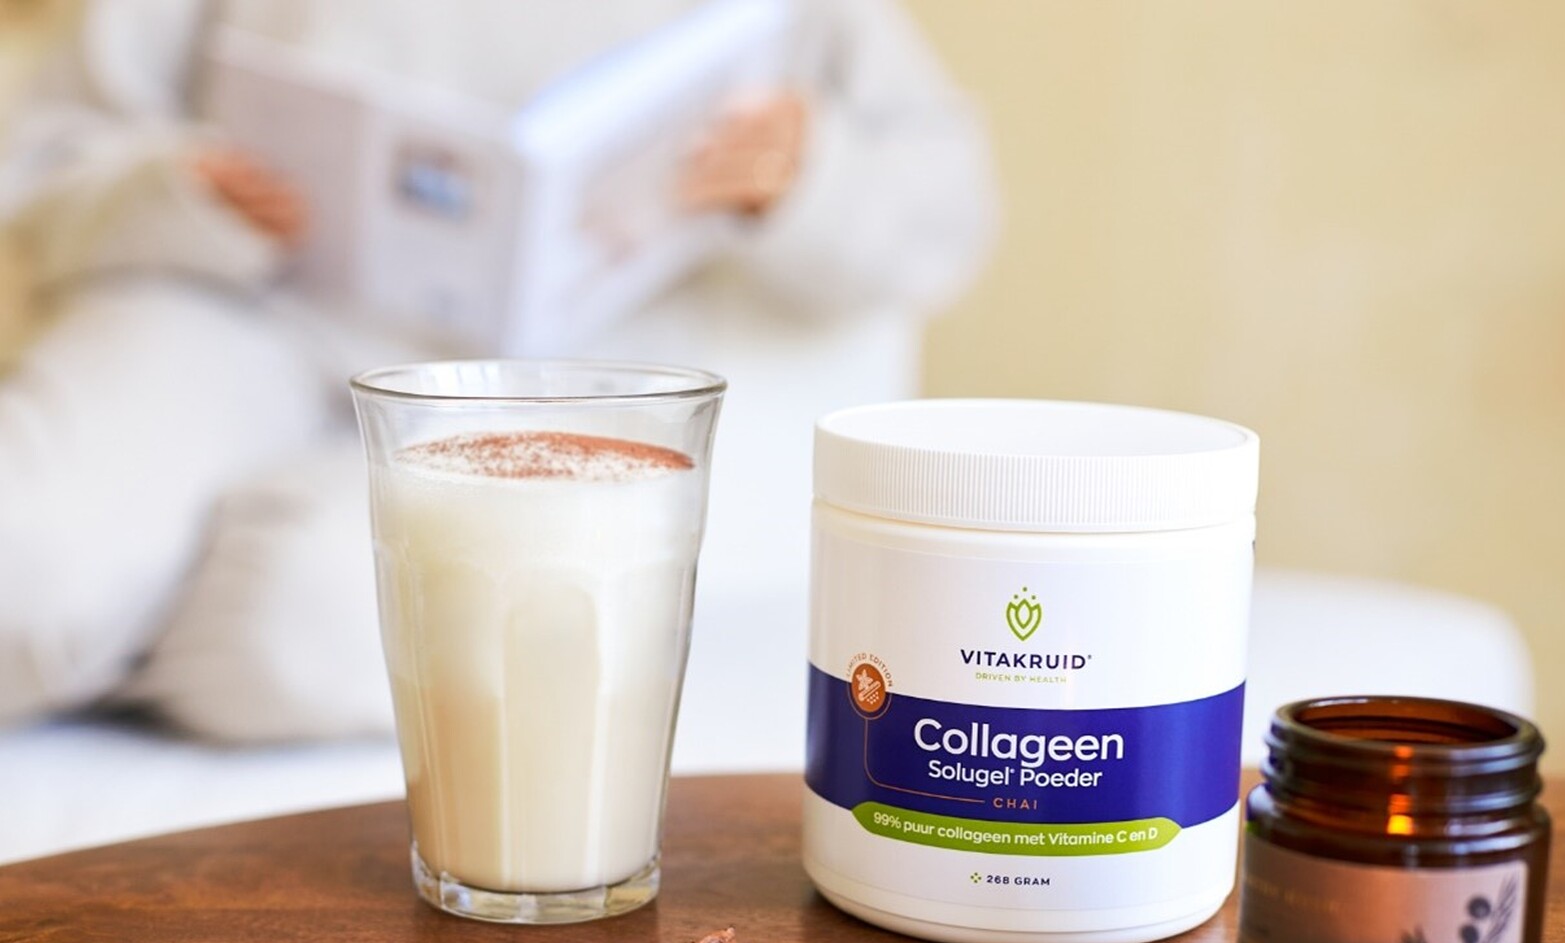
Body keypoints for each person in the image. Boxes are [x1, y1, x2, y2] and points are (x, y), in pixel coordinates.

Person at [0, 0, 997, 754]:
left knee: (314, 630)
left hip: (539, 387)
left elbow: (949, 212)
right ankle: (89, 611)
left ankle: (103, 630)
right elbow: (39, 159)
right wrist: (171, 191)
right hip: (224, 306)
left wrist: (804, 172)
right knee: (27, 568)